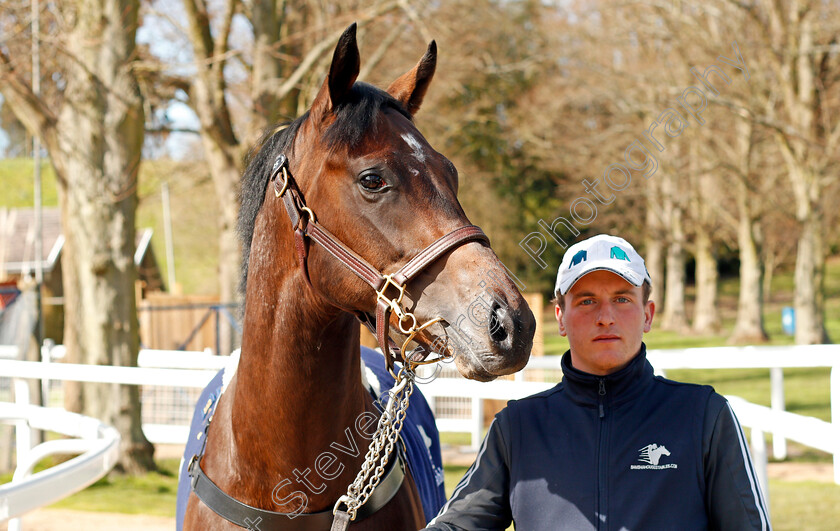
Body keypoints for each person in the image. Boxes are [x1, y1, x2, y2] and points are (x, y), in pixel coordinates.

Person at [423, 234, 771, 530]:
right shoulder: (517, 429)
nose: (605, 318)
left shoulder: (704, 416)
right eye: (587, 301)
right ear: (560, 318)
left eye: (621, 299)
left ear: (647, 315)